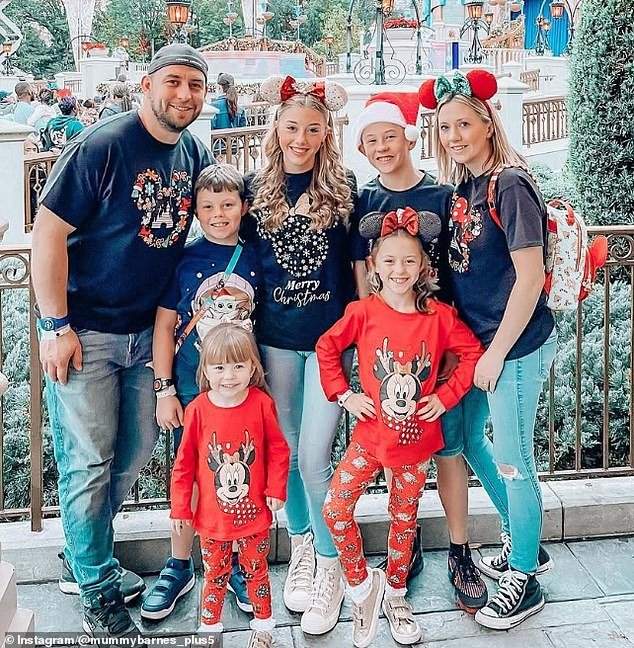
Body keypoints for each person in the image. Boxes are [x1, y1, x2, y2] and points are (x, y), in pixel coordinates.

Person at [30, 43, 213, 639]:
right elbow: (47, 232)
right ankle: (97, 591)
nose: (184, 95)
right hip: (85, 332)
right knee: (88, 462)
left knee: (134, 453)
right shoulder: (102, 146)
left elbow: (220, 215)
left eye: (195, 85)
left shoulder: (193, 151)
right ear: (147, 85)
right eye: (173, 81)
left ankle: (84, 557)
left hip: (147, 336)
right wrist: (55, 326)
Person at [419, 69, 556, 630]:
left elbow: (530, 277)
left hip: (513, 346)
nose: (453, 136)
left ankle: (524, 576)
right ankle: (526, 539)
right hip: (478, 347)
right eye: (444, 126)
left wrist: (496, 353)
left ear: (488, 125)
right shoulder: (464, 190)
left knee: (514, 460)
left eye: (463, 124)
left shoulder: (510, 185)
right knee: (470, 440)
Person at [317, 212, 483, 647]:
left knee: (404, 520)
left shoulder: (439, 317)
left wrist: (445, 397)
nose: (399, 270)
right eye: (389, 261)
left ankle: (395, 594)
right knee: (335, 508)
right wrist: (343, 394)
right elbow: (327, 347)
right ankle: (362, 588)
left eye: (409, 261)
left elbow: (472, 354)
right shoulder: (362, 313)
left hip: (415, 443)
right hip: (369, 438)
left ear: (423, 266)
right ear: (374, 265)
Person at [353, 91, 491, 613]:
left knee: (449, 448)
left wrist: (455, 343)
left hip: (439, 341)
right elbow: (361, 275)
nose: (383, 147)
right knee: (397, 448)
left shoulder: (442, 194)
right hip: (389, 353)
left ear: (409, 137)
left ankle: (459, 550)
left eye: (391, 136)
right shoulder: (365, 199)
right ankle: (403, 541)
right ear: (362, 149)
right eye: (372, 140)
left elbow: (460, 265)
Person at [242, 74, 355, 636]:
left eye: (313, 129)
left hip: (330, 343)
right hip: (276, 339)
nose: (301, 139)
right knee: (286, 452)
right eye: (292, 127)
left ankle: (332, 565)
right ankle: (303, 545)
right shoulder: (255, 188)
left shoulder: (344, 187)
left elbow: (359, 269)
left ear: (325, 132)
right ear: (276, 128)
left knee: (315, 456)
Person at [141, 163, 260, 621]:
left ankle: (234, 561)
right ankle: (179, 563)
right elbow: (165, 325)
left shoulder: (255, 256)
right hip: (194, 389)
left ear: (243, 207)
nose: (218, 214)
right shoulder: (184, 259)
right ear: (195, 211)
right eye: (208, 206)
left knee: (239, 475)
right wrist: (164, 389)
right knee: (187, 474)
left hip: (244, 392)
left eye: (227, 204)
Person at [170, 323, 290, 648]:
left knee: (257, 572)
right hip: (212, 520)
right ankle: (209, 628)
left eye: (238, 366)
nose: (229, 376)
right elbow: (184, 464)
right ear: (206, 371)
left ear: (252, 367)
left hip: (254, 515)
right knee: (214, 575)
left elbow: (278, 449)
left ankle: (263, 628)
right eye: (219, 367)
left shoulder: (261, 404)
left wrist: (276, 488)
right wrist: (180, 507)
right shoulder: (197, 410)